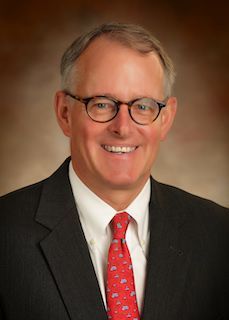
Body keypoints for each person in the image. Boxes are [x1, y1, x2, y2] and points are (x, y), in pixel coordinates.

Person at [0, 23, 228, 320]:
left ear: (166, 119)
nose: (122, 127)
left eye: (143, 106)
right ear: (64, 113)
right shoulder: (6, 234)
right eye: (102, 104)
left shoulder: (219, 236)